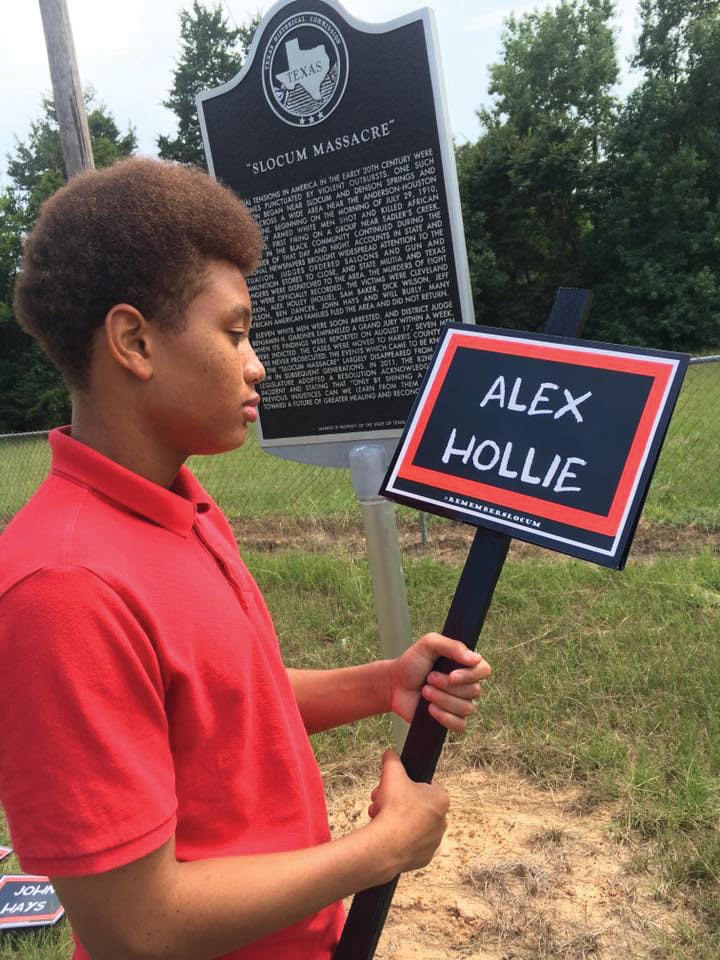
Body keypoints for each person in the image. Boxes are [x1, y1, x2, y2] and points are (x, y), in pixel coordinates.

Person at [0, 157, 491, 960]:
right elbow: (136, 927)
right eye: (233, 332)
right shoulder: (63, 590)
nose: (256, 362)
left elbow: (233, 703)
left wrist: (383, 685)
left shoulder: (181, 506)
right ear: (133, 341)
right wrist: (380, 850)